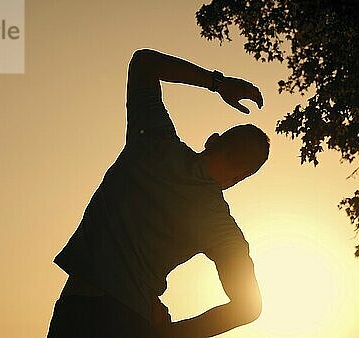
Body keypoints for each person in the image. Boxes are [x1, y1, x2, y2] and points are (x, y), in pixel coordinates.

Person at [48, 48, 269, 338]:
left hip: (76, 308)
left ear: (212, 140)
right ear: (242, 178)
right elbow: (248, 308)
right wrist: (170, 335)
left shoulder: (153, 140)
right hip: (132, 322)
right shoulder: (220, 226)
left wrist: (218, 83)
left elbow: (144, 62)